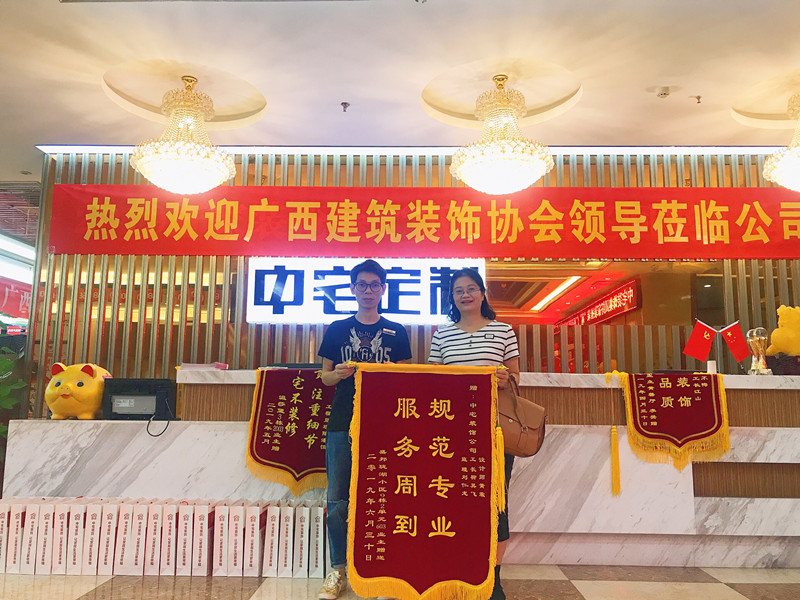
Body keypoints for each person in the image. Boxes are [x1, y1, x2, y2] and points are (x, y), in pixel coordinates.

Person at [317, 259, 412, 600]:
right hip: (342, 421)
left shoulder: (397, 331)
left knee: (385, 495)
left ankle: (384, 570)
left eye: (374, 285)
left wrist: (388, 372)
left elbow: (407, 379)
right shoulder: (337, 328)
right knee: (337, 499)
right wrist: (339, 373)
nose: (368, 290)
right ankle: (337, 570)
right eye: (362, 285)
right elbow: (324, 377)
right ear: (353, 289)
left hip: (385, 425)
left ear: (383, 289)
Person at [427, 268, 520, 600]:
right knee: (454, 501)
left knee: (496, 503)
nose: (465, 295)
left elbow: (516, 378)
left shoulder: (503, 330)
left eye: (471, 289)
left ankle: (492, 578)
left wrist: (505, 379)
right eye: (458, 291)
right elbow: (432, 382)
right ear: (452, 298)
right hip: (451, 434)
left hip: (495, 431)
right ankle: (459, 570)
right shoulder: (442, 335)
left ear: (482, 293)